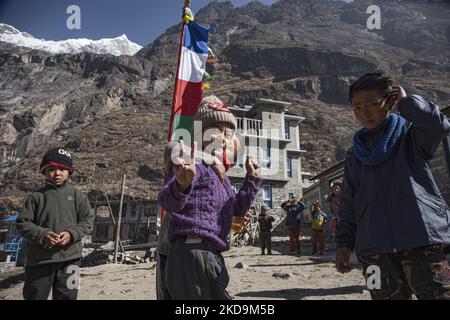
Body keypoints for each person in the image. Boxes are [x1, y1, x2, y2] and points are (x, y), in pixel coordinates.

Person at [335, 72, 450, 300]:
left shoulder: (410, 136)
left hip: (420, 239)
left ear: (389, 101)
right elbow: (348, 202)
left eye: (372, 104)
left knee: (438, 295)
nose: (364, 112)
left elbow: (438, 126)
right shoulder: (354, 156)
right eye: (357, 107)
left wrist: (407, 103)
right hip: (373, 250)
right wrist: (344, 243)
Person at [158, 96, 262, 300]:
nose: (223, 138)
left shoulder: (219, 175)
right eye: (216, 130)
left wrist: (252, 179)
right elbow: (167, 201)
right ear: (199, 133)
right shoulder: (194, 165)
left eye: (227, 133)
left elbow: (236, 208)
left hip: (209, 256)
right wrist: (182, 185)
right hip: (193, 254)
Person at [16, 147, 95, 300]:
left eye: (62, 169)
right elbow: (22, 223)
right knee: (35, 296)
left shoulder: (78, 196)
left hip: (71, 259)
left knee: (69, 297)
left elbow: (87, 220)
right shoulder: (36, 197)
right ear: (44, 171)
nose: (57, 173)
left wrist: (71, 234)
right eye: (51, 169)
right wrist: (43, 234)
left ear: (69, 172)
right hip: (40, 261)